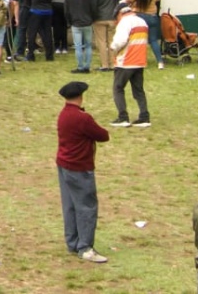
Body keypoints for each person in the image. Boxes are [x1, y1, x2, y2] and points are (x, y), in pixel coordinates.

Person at [55, 81, 109, 263]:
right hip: (79, 167)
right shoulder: (82, 118)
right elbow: (103, 135)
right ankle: (85, 247)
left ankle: (73, 242)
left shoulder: (63, 115)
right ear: (80, 96)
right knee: (86, 206)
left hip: (64, 165)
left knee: (69, 205)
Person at [110, 8, 150, 128]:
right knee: (138, 90)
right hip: (139, 61)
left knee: (118, 88)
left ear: (120, 14)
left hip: (126, 61)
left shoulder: (125, 22)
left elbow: (120, 40)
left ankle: (123, 118)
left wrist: (112, 47)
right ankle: (144, 117)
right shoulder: (142, 21)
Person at [65, 0, 95, 74]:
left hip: (76, 23)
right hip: (87, 22)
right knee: (88, 45)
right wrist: (92, 18)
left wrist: (69, 22)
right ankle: (87, 66)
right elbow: (93, 8)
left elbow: (67, 11)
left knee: (78, 46)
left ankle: (80, 66)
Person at [91, 0, 119, 72]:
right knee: (111, 41)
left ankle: (104, 64)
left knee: (101, 42)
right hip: (112, 17)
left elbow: (94, 6)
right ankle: (113, 63)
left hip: (99, 18)